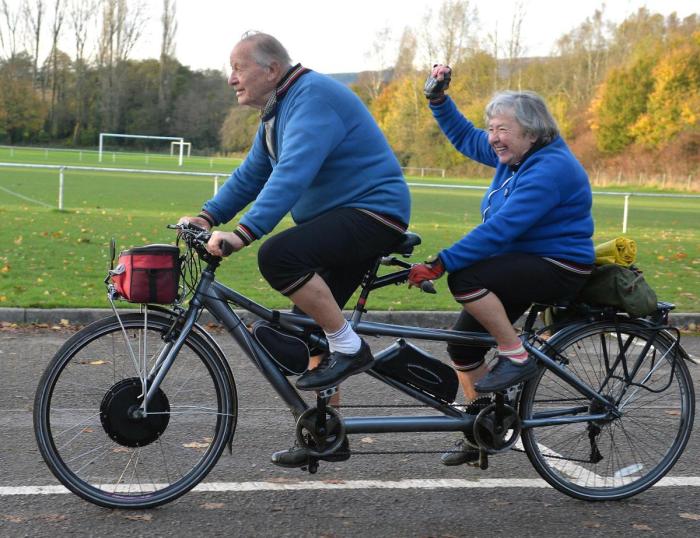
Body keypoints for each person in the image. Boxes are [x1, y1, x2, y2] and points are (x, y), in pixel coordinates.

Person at [178, 32, 410, 467]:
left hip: (373, 212)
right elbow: (252, 175)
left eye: (238, 68)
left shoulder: (312, 98)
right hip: (341, 217)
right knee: (310, 330)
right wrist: (208, 217)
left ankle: (351, 348)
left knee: (278, 256)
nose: (231, 79)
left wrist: (243, 234)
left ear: (271, 70)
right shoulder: (278, 110)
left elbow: (292, 173)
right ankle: (328, 434)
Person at [409, 65, 594, 466]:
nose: (493, 138)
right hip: (524, 261)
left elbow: (502, 229)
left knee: (467, 276)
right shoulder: (513, 157)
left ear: (531, 131)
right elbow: (464, 136)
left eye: (502, 129)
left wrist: (442, 263)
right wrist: (437, 100)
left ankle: (516, 354)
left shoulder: (550, 168)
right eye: (491, 128)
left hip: (560, 265)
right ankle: (483, 430)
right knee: (463, 347)